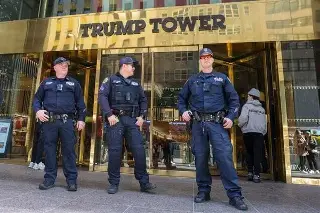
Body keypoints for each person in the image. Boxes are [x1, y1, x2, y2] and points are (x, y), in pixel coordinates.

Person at [177, 48, 248, 211]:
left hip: (217, 124)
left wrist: (231, 117)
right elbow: (181, 99)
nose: (206, 59)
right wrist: (183, 111)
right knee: (200, 158)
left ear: (212, 60)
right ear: (200, 61)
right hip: (198, 124)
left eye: (209, 57)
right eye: (203, 57)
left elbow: (234, 100)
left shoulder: (222, 78)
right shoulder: (192, 80)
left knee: (224, 158)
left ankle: (235, 195)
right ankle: (203, 191)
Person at [98, 57, 156, 194]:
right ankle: (113, 183)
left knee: (139, 151)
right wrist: (109, 114)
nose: (134, 68)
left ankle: (144, 183)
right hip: (116, 120)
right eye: (132, 66)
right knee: (115, 152)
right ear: (124, 66)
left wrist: (142, 117)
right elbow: (102, 96)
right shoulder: (110, 80)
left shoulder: (136, 84)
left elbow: (143, 100)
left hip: (132, 120)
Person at [33, 57, 86, 191]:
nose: (64, 67)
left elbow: (81, 103)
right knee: (49, 150)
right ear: (54, 67)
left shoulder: (74, 84)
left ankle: (71, 181)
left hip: (67, 121)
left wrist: (81, 119)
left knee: (69, 151)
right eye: (61, 65)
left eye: (66, 65)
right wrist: (38, 111)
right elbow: (36, 99)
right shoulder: (46, 82)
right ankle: (49, 179)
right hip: (49, 121)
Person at [238, 88, 267, 183]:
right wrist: (263, 132)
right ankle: (257, 175)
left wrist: (241, 126)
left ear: (251, 96)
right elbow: (264, 122)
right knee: (257, 154)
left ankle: (250, 172)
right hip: (259, 133)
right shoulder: (262, 109)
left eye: (248, 96)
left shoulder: (246, 107)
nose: (247, 97)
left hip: (248, 132)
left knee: (249, 152)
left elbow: (243, 119)